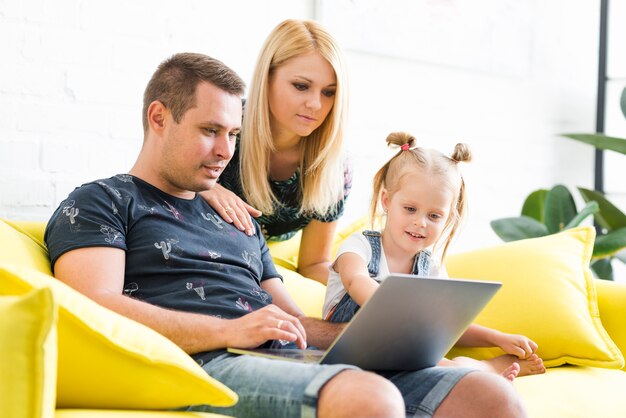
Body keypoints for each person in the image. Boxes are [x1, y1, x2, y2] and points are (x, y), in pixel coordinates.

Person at [44, 52, 528, 418]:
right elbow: (94, 304)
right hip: (205, 363)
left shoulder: (239, 219)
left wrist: (373, 340)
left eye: (233, 135)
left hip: (289, 358)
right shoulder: (102, 201)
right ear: (158, 117)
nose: (224, 151)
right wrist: (229, 331)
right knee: (369, 396)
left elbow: (294, 320)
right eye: (210, 130)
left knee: (489, 395)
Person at [323, 132, 546, 381]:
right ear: (386, 201)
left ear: (448, 218)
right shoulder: (359, 246)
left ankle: (473, 370)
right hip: (344, 358)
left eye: (434, 216)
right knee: (426, 355)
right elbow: (356, 282)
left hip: (402, 362)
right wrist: (404, 313)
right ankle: (480, 373)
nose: (420, 223)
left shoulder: (431, 268)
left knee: (429, 359)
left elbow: (449, 328)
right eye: (410, 209)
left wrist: (498, 338)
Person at [199, 19, 352, 285]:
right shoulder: (225, 127)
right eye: (301, 86)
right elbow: (160, 180)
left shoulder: (334, 164)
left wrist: (361, 285)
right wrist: (204, 188)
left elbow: (313, 263)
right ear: (267, 77)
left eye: (329, 92)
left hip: (267, 261)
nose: (316, 104)